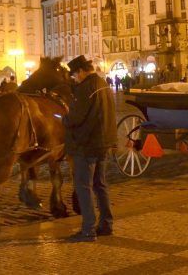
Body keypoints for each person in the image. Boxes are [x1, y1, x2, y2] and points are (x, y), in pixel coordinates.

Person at [64, 55, 117, 243]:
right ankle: (106, 224)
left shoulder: (84, 88)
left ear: (80, 71)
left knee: (83, 187)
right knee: (100, 185)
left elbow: (77, 117)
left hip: (86, 145)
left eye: (74, 75)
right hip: (104, 142)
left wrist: (64, 119)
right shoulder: (103, 83)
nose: (75, 78)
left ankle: (88, 229)